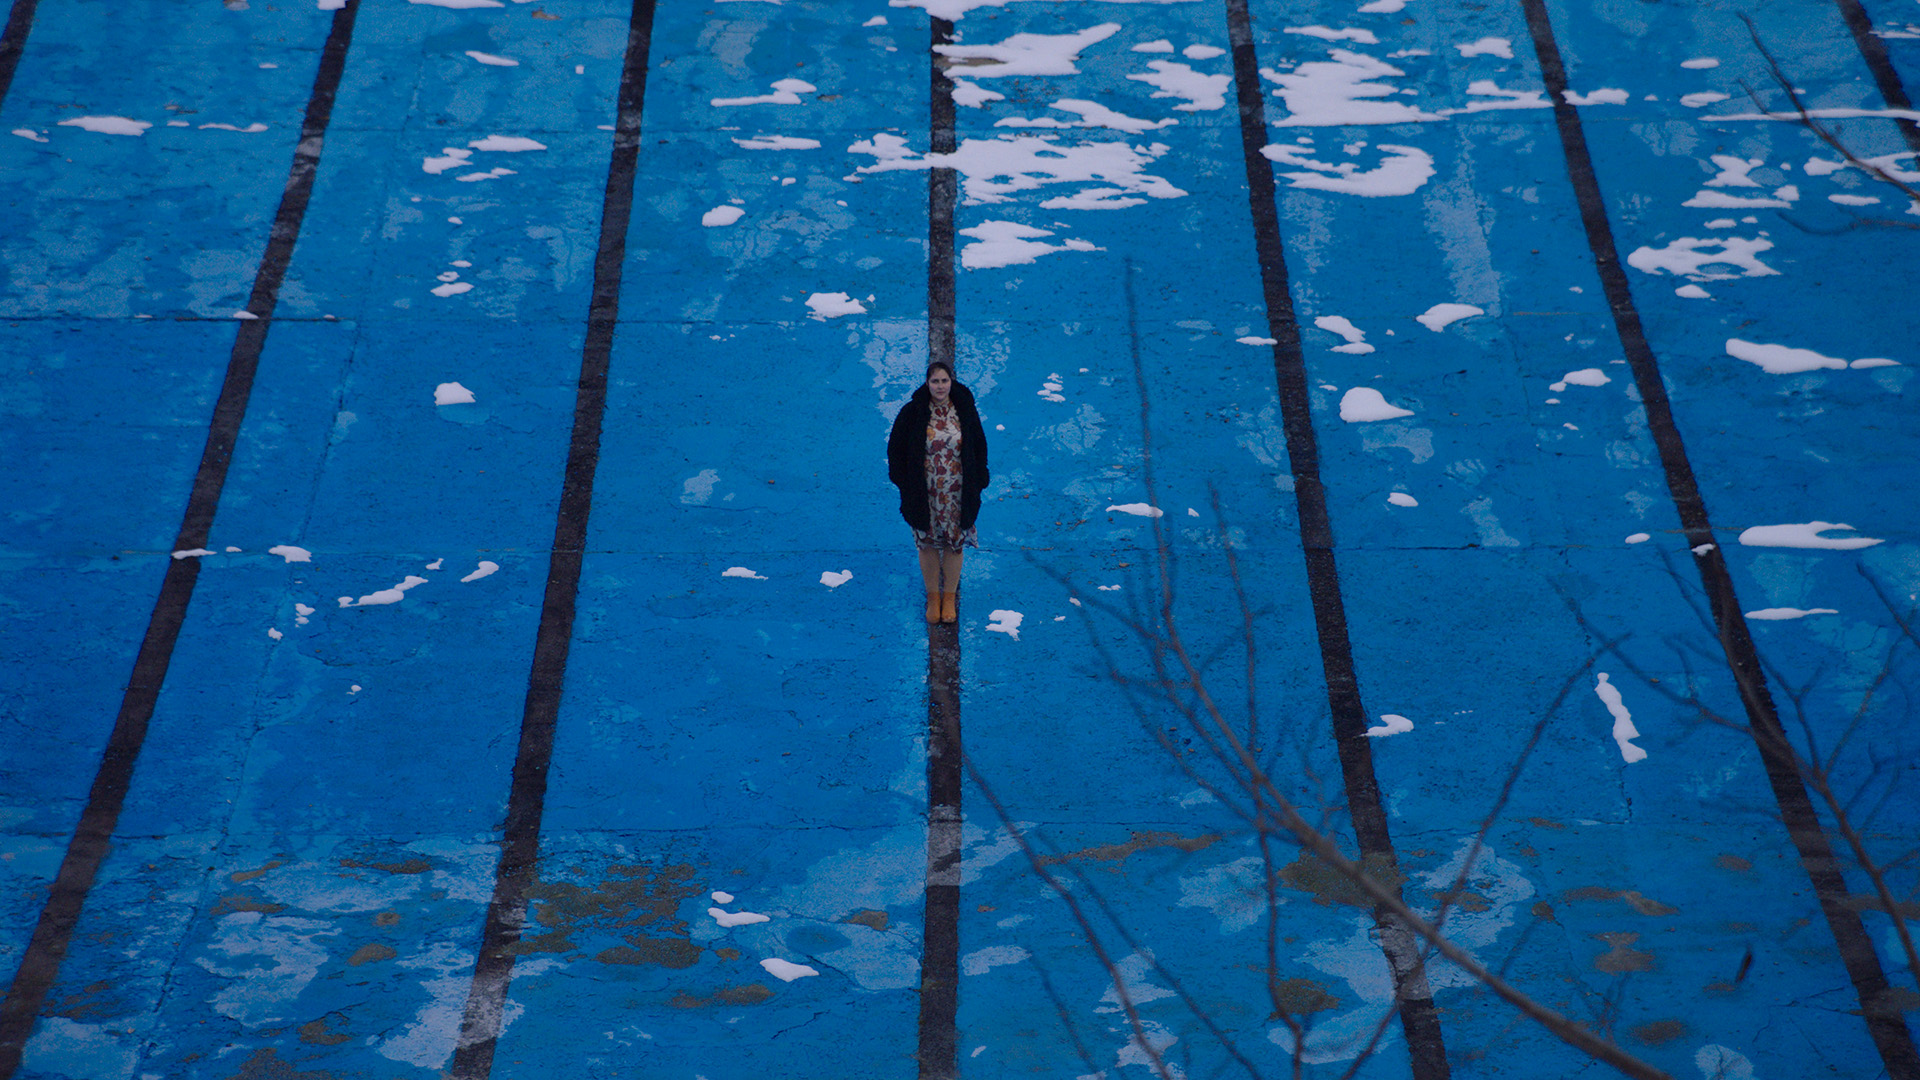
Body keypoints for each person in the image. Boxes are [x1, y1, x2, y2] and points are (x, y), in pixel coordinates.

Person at [887, 361, 989, 623]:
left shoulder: (965, 410)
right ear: (927, 383)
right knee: (928, 543)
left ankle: (949, 597)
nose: (940, 386)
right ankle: (934, 597)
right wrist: (903, 482)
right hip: (925, 491)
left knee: (955, 544)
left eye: (944, 381)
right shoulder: (913, 412)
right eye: (935, 381)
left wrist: (980, 478)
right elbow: (896, 448)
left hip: (957, 491)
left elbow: (978, 444)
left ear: (951, 382)